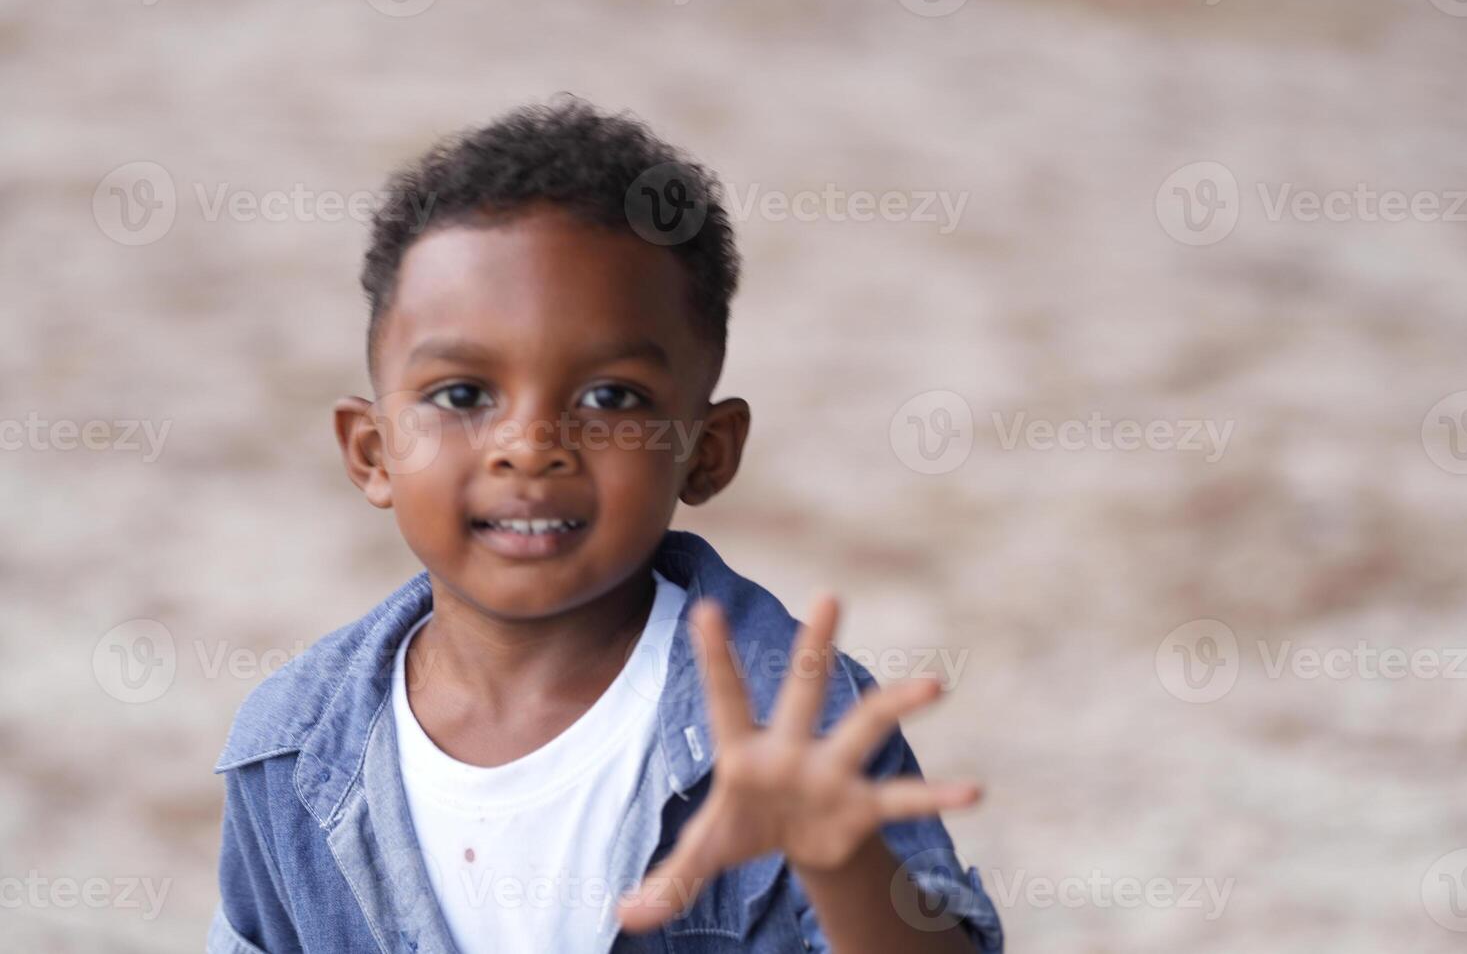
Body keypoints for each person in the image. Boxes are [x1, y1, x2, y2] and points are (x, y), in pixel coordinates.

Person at [209, 96, 1004, 954]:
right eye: (463, 395)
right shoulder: (289, 752)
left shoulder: (796, 728)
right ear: (371, 452)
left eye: (610, 398)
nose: (530, 445)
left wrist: (839, 859)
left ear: (706, 452)